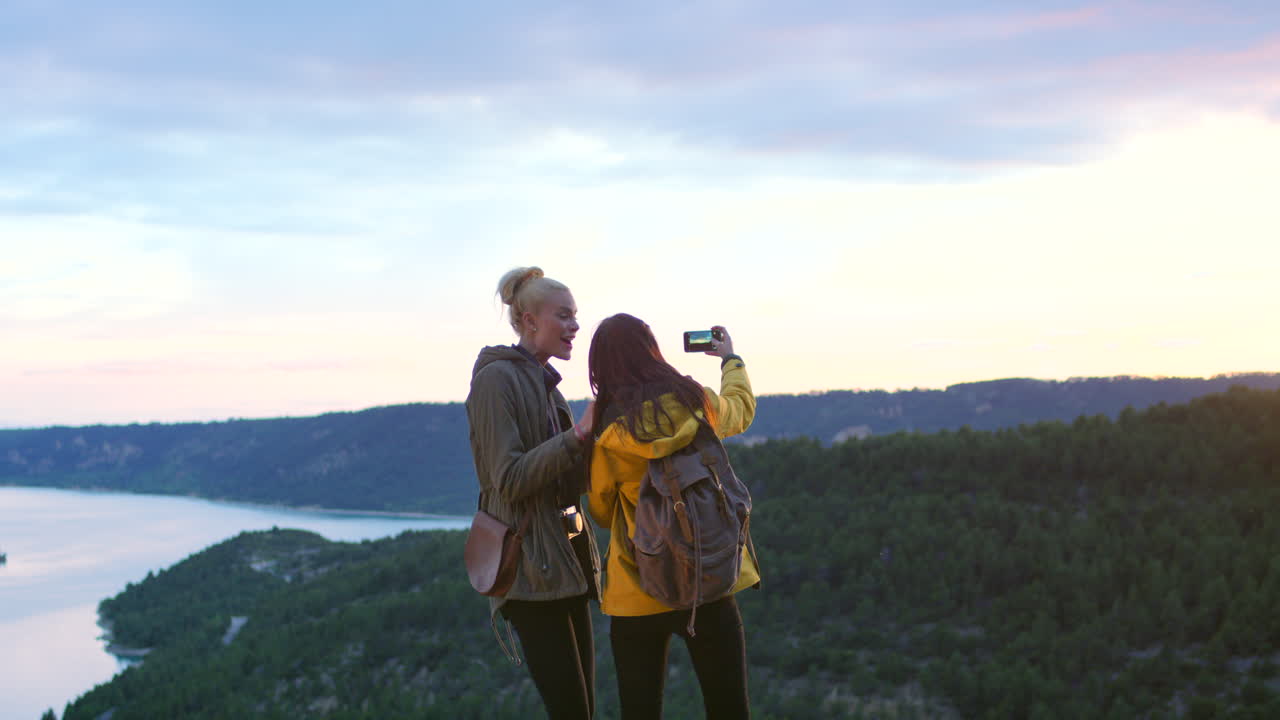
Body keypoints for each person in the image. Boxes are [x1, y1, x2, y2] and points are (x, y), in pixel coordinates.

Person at [586, 314, 760, 720]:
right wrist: (730, 359)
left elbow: (599, 509)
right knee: (729, 707)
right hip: (709, 579)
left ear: (602, 367)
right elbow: (741, 410)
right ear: (652, 352)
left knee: (641, 712)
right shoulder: (694, 401)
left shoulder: (609, 431)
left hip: (637, 590)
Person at [466, 266, 601, 720]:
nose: (575, 326)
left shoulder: (548, 389)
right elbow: (507, 480)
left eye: (576, 316)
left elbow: (566, 481)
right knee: (573, 711)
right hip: (529, 572)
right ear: (528, 321)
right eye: (563, 316)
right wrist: (575, 438)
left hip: (565, 563)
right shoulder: (495, 381)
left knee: (584, 709)